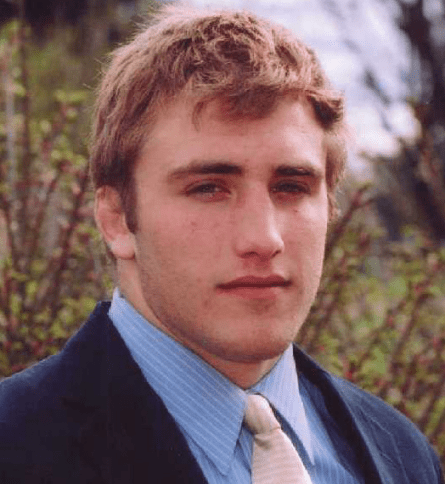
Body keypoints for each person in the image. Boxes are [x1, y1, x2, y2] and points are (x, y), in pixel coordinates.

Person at [0, 4, 442, 483]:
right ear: (117, 221)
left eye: (291, 186)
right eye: (208, 187)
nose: (263, 238)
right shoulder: (15, 446)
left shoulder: (403, 454)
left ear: (331, 208)